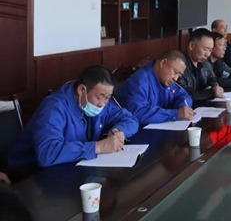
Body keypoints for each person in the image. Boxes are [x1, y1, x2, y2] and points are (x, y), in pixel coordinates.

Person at [9, 65, 138, 168]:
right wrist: (97, 147)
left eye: (108, 98)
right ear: (82, 90)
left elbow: (130, 119)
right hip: (31, 173)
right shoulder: (54, 107)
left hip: (72, 166)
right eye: (100, 97)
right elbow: (47, 153)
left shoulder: (101, 102)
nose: (103, 103)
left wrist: (118, 131)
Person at [116, 50, 194, 125]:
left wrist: (182, 106)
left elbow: (182, 95)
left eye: (179, 75)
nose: (176, 78)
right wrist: (175, 114)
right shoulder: (139, 82)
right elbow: (139, 113)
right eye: (175, 72)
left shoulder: (166, 80)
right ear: (163, 63)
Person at [178, 28, 224, 103]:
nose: (207, 54)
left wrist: (215, 88)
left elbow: (212, 79)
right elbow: (183, 96)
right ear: (192, 46)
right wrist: (210, 93)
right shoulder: (178, 65)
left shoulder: (204, 62)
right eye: (205, 49)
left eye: (210, 50)